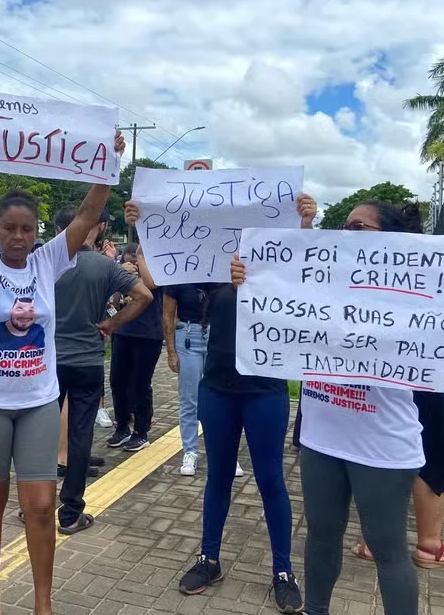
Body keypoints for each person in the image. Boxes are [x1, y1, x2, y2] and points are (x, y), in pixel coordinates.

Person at [0, 102, 125, 615]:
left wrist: (107, 165)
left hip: (38, 401)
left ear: (37, 232)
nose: (18, 237)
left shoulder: (47, 261)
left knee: (40, 506)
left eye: (27, 229)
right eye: (9, 229)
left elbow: (87, 215)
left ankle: (43, 602)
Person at [281, 201, 444, 615]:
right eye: (345, 225)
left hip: (381, 441)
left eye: (360, 226)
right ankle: (314, 609)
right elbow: (274, 295)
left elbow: (436, 334)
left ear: (391, 241)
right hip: (322, 432)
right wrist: (247, 279)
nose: (347, 231)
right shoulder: (320, 281)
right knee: (320, 532)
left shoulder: (410, 294)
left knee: (387, 545)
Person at [123, 195, 314, 613]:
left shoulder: (279, 275)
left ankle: (283, 570)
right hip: (217, 390)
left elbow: (309, 267)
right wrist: (142, 227)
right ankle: (209, 558)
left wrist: (306, 222)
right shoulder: (210, 271)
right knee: (218, 478)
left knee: (270, 482)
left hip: (265, 391)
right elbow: (157, 277)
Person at [52, 205, 153, 535]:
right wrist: (111, 323)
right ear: (86, 228)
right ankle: (70, 512)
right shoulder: (104, 265)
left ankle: (33, 507)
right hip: (88, 360)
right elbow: (143, 295)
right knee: (81, 436)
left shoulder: (43, 261)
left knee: (38, 435)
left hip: (45, 361)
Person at [105, 243, 163, 453]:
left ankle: (141, 431)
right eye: (128, 259)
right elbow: (116, 301)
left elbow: (151, 285)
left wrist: (141, 257)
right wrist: (122, 276)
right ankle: (122, 427)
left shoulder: (156, 268)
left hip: (148, 333)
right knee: (117, 381)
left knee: (140, 384)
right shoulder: (123, 272)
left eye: (135, 259)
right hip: (123, 331)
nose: (132, 263)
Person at [162, 282, 214, 476]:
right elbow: (167, 314)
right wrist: (171, 352)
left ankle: (223, 452)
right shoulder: (179, 274)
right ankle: (190, 451)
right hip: (187, 334)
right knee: (189, 398)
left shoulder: (218, 270)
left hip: (216, 334)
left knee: (218, 398)